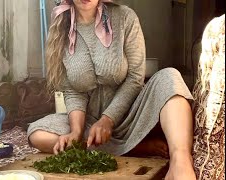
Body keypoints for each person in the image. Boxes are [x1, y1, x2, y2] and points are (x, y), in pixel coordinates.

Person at [27, 0, 196, 179]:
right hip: (91, 125)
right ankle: (136, 147)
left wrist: (108, 120)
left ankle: (181, 161)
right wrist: (76, 132)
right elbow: (72, 90)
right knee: (37, 134)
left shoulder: (125, 17)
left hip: (133, 115)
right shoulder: (60, 27)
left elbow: (135, 79)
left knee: (169, 77)